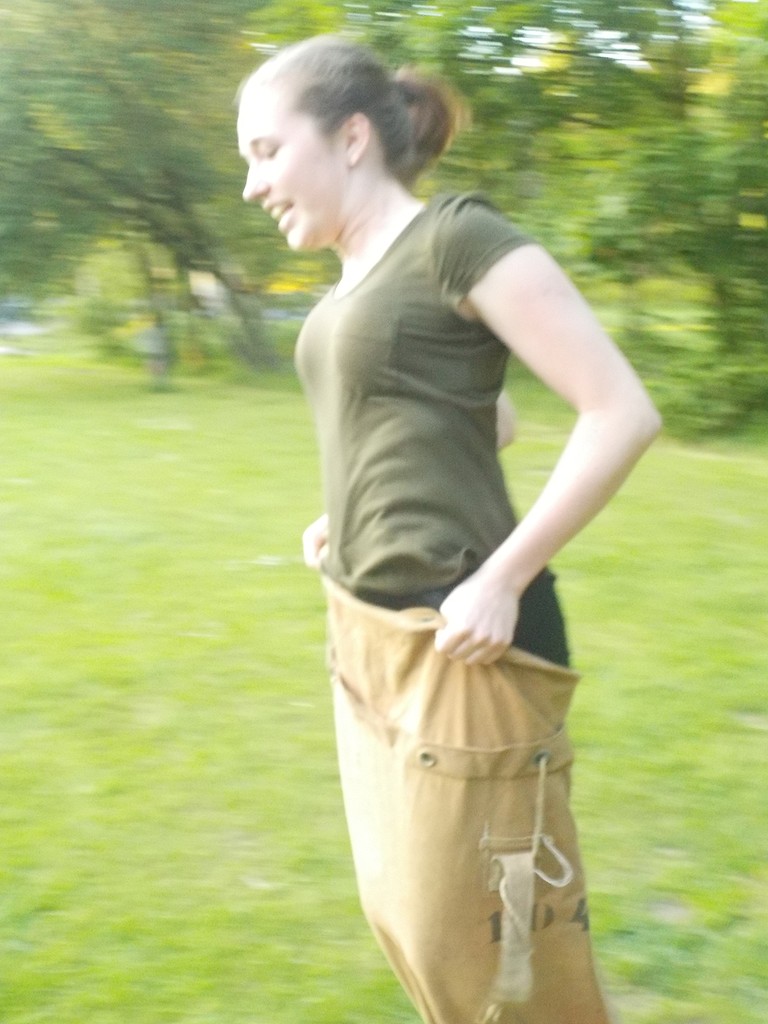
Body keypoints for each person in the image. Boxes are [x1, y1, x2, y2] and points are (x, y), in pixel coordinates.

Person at [237, 35, 660, 1024]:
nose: (252, 184)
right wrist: (352, 511)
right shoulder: (356, 275)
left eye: (266, 150)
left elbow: (621, 411)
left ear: (351, 137)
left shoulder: (454, 237)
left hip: (465, 637)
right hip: (371, 634)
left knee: (501, 963)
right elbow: (477, 415)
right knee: (413, 926)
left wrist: (504, 577)